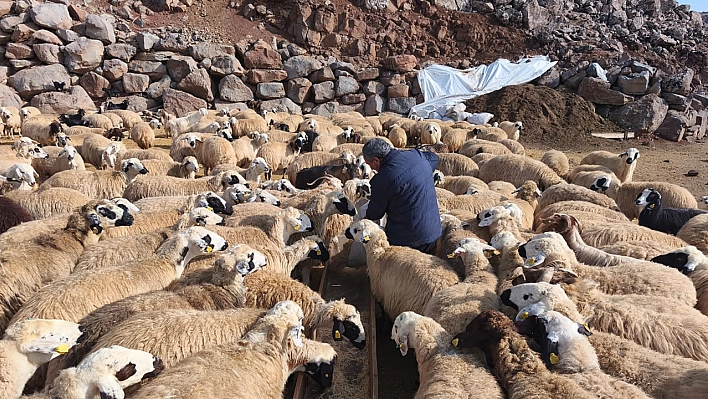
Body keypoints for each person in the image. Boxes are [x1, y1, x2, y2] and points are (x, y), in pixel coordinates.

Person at [362, 138, 442, 254]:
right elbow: (435, 158)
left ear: (376, 160)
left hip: (406, 241)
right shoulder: (416, 155)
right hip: (433, 233)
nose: (371, 168)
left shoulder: (382, 180)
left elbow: (375, 213)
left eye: (369, 164)